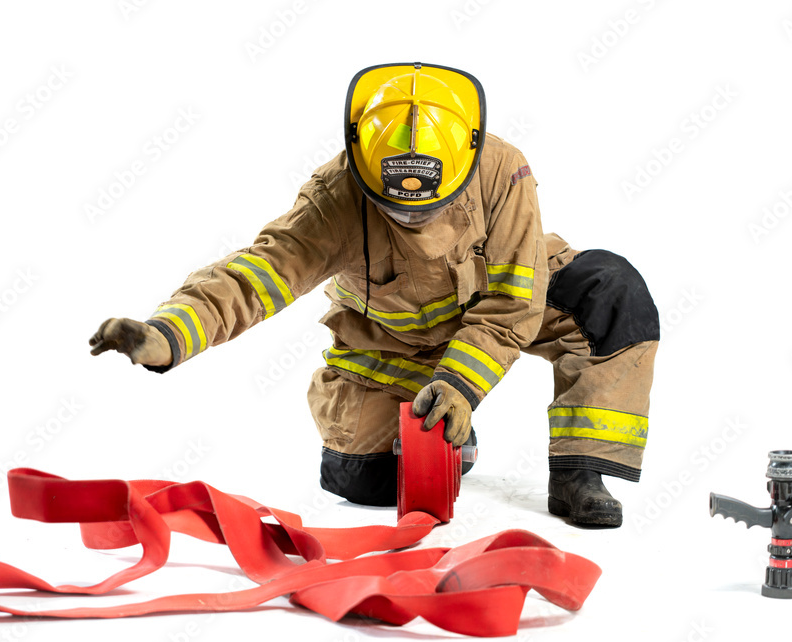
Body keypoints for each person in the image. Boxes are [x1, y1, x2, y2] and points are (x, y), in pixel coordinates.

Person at [89, 62, 659, 528]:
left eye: (431, 205)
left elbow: (514, 300)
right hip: (394, 337)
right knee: (361, 482)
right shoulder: (335, 196)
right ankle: (448, 435)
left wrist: (460, 383)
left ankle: (582, 472)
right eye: (396, 206)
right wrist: (167, 334)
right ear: (363, 172)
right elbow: (256, 275)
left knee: (611, 293)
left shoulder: (503, 171)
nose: (414, 217)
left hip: (506, 305)